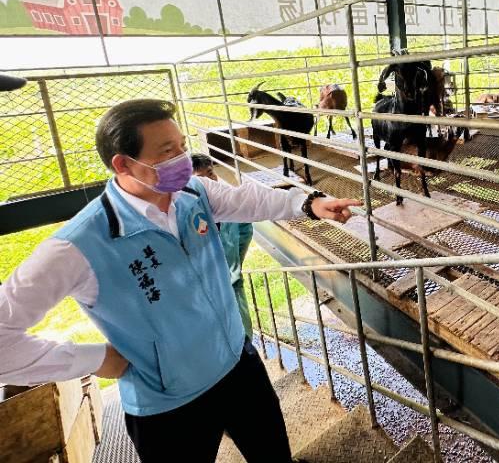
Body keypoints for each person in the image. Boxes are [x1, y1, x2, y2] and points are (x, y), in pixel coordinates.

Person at [0, 99, 359, 463]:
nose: (182, 160)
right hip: (169, 405)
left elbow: (246, 199)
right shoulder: (78, 246)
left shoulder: (192, 193)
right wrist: (95, 359)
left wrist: (307, 203)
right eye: (167, 152)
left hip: (238, 366)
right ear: (124, 164)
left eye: (182, 147)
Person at [191, 153, 254, 338]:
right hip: (206, 294)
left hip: (232, 284)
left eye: (210, 173)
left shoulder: (227, 205)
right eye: (200, 179)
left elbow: (245, 231)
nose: (209, 181)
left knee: (244, 335)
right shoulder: (186, 215)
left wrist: (234, 265)